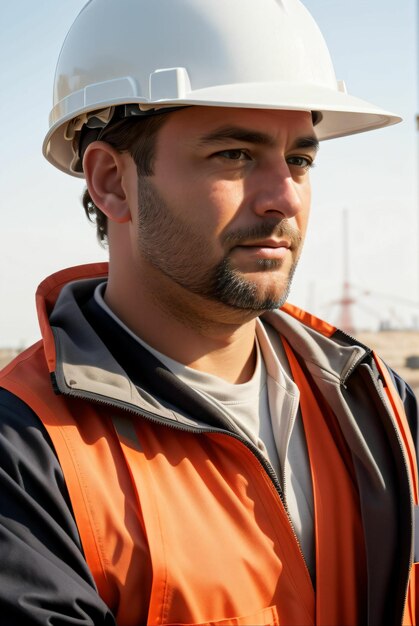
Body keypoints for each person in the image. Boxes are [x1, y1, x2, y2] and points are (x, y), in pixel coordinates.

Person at [0, 0, 417, 624]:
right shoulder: (25, 452)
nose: (284, 199)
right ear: (112, 181)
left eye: (300, 160)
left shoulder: (375, 403)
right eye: (234, 155)